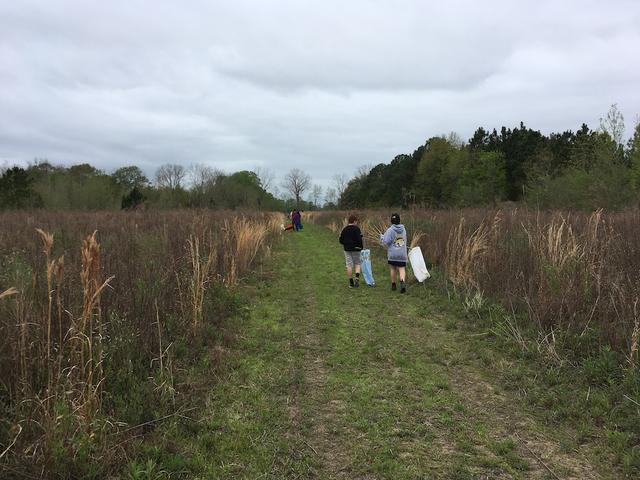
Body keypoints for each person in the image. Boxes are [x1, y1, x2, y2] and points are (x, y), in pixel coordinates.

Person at [380, 212, 408, 293]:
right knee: (402, 269)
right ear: (399, 220)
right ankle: (402, 282)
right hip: (402, 254)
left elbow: (386, 242)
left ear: (391, 221)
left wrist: (382, 237)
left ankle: (393, 284)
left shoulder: (390, 230)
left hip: (393, 254)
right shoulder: (404, 229)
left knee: (393, 268)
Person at [339, 214, 363, 288]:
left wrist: (345, 244)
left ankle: (351, 283)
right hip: (356, 249)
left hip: (347, 249)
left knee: (349, 265)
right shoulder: (357, 229)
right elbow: (359, 239)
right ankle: (357, 279)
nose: (357, 223)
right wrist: (361, 247)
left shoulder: (344, 229)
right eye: (356, 221)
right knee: (357, 263)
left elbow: (341, 240)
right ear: (354, 221)